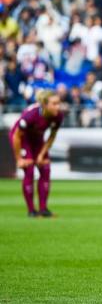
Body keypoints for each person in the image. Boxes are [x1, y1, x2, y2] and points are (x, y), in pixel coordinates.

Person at [9, 90, 63, 218]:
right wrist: (19, 158)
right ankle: (31, 211)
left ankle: (43, 209)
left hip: (38, 140)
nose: (58, 107)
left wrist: (41, 155)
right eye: (54, 104)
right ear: (44, 105)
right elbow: (16, 136)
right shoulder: (31, 115)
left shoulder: (58, 116)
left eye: (58, 103)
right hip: (23, 140)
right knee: (29, 169)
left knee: (45, 168)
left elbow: (52, 136)